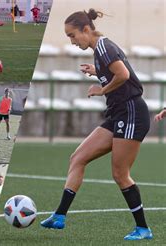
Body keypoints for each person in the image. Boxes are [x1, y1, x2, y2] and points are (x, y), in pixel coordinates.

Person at [40, 9, 153, 241]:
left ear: (86, 29)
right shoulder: (100, 49)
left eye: (72, 35)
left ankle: (143, 228)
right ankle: (59, 216)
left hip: (131, 113)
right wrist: (98, 72)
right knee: (77, 158)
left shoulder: (103, 47)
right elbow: (115, 72)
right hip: (118, 114)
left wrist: (101, 89)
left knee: (120, 174)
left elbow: (122, 74)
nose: (71, 42)